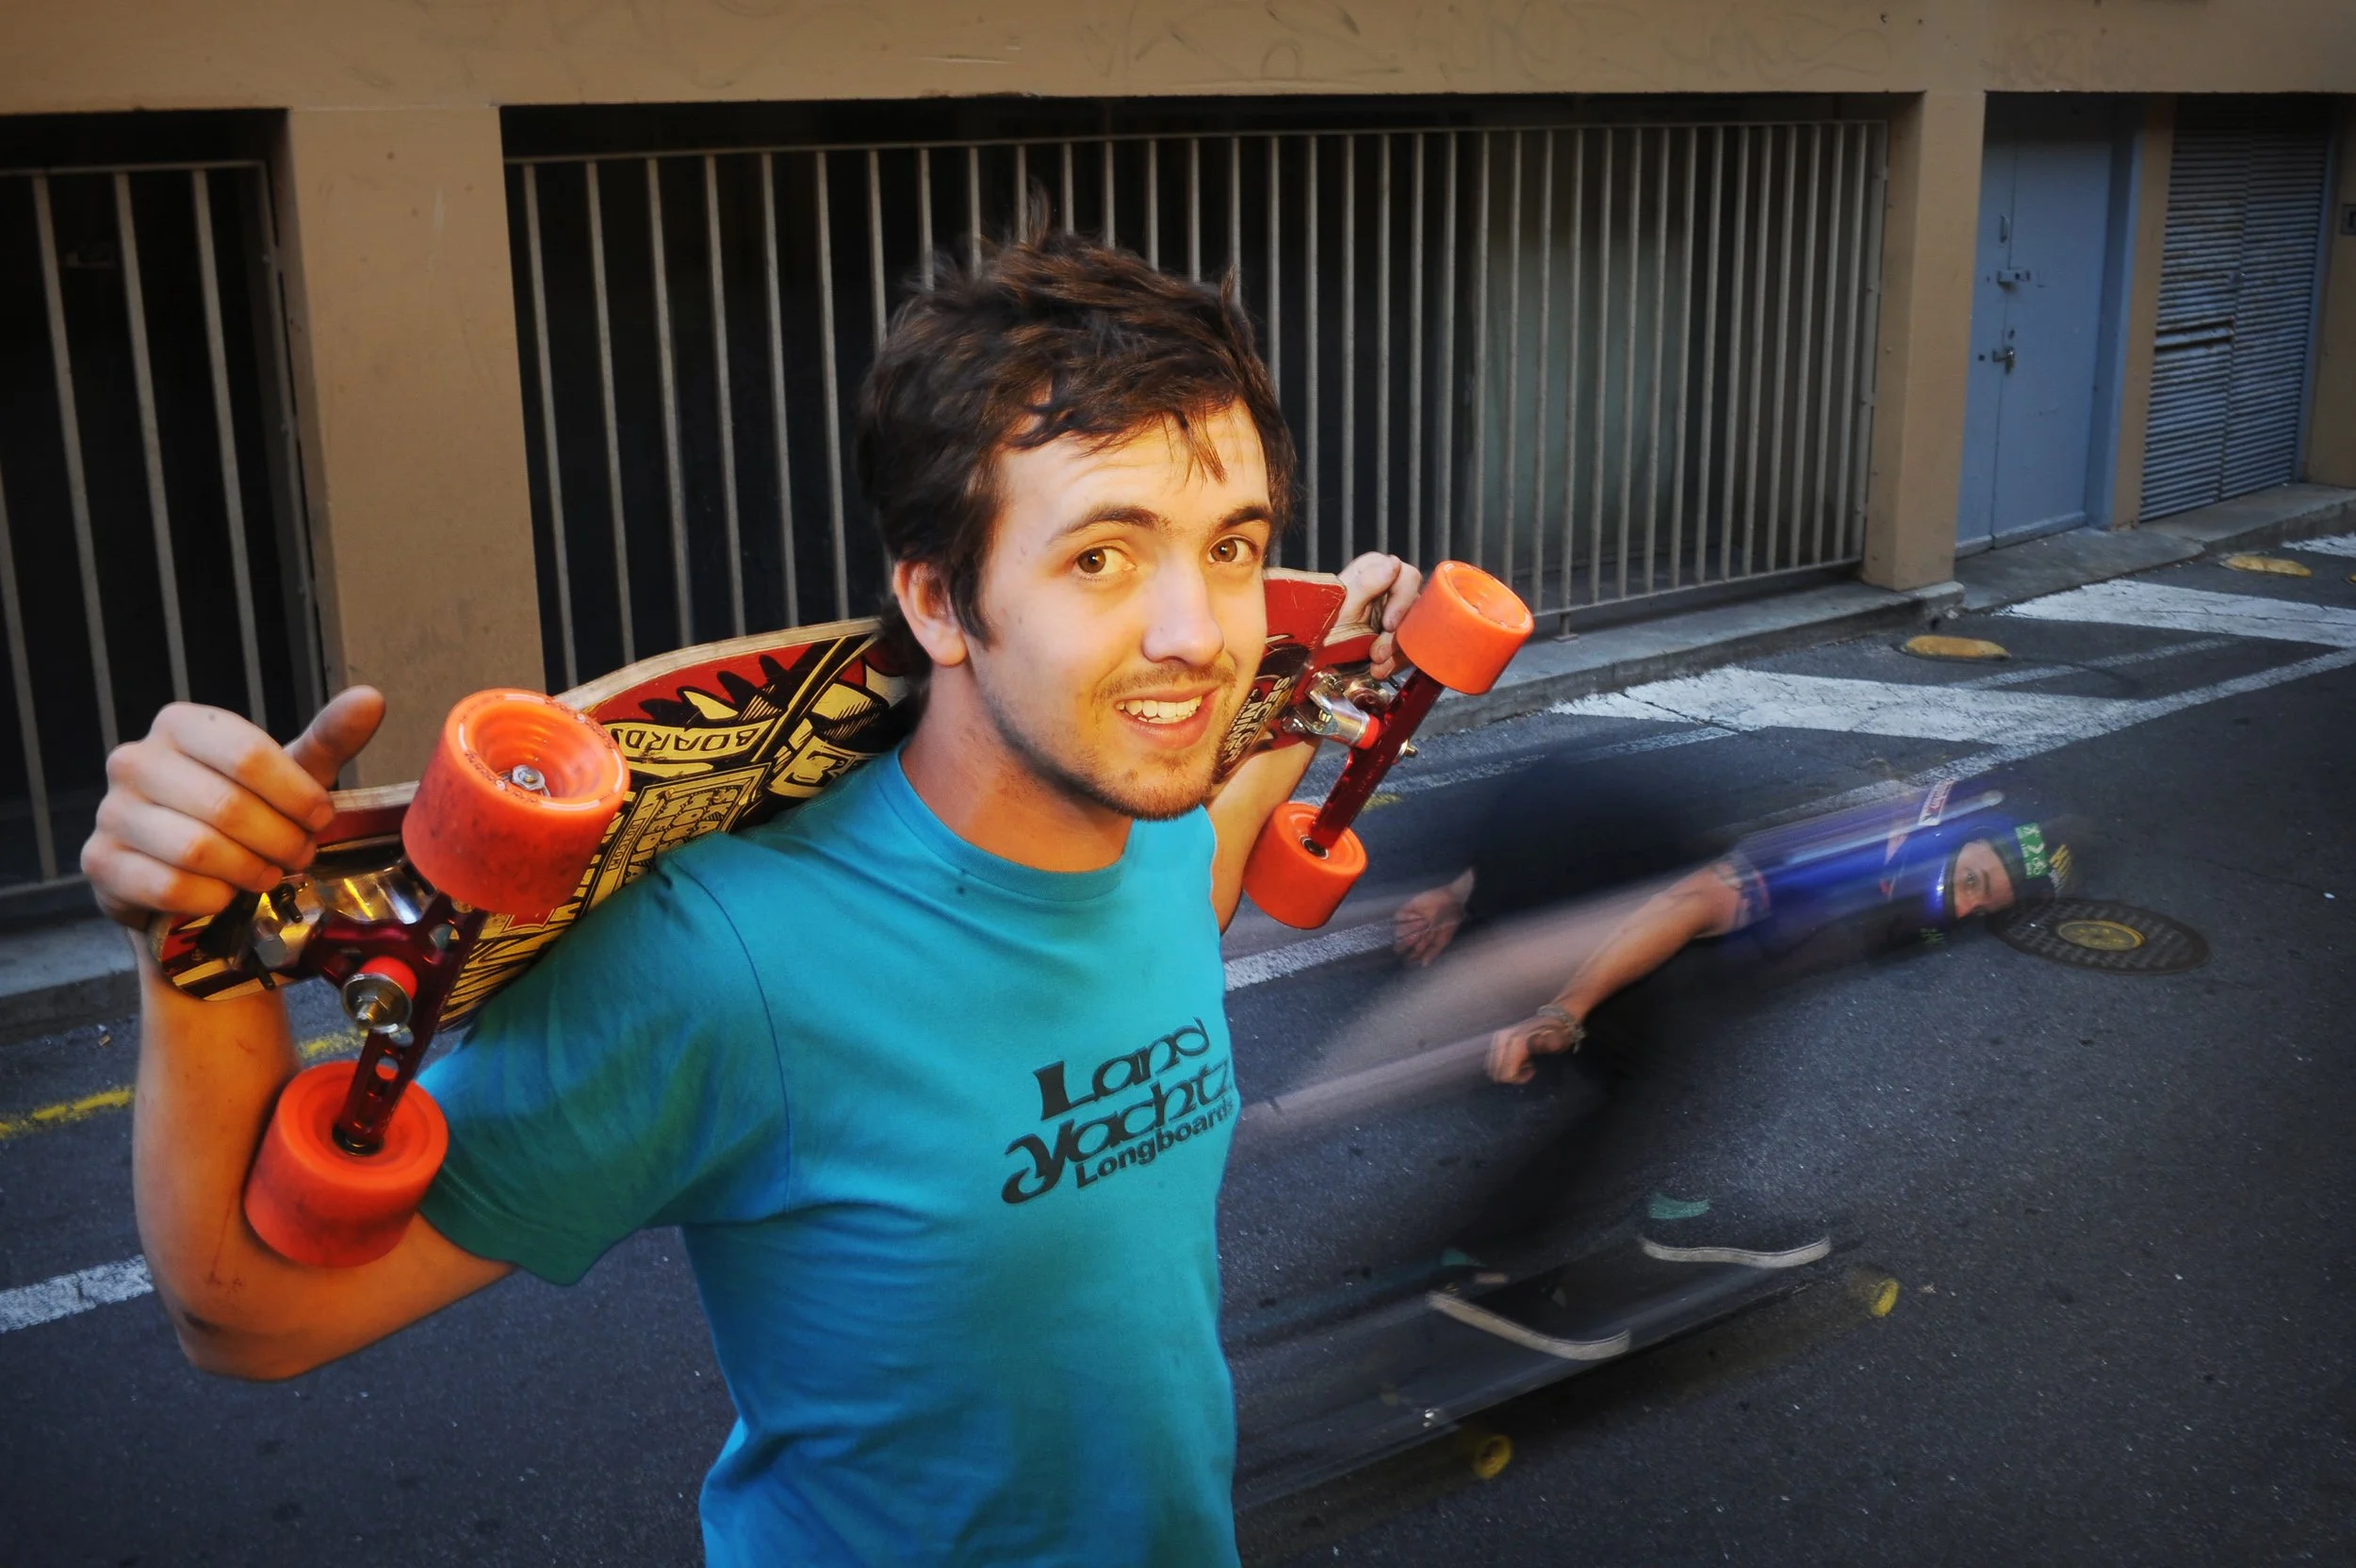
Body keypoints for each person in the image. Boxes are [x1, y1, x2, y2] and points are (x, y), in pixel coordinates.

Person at [79, 227, 1426, 1565]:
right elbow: (250, 1316)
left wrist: (1336, 669)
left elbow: (1197, 877)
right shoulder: (727, 962)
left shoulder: (1166, 834)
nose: (1198, 634)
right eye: (1102, 558)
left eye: (1234, 548)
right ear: (941, 604)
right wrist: (196, 934)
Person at [1392, 765, 2070, 1266]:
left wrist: (1458, 893)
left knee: (1691, 1055)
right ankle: (1485, 1267)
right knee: (1646, 1067)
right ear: (1931, 832)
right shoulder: (1845, 860)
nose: (1964, 907)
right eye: (1972, 881)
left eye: (1987, 907)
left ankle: (1655, 1202)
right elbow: (1687, 904)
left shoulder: (1907, 886)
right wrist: (1565, 1013)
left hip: (1583, 861)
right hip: (1592, 898)